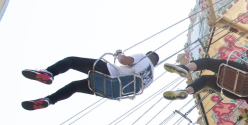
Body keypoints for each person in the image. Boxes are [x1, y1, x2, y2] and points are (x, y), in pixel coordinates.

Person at [21, 50, 159, 110]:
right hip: (112, 90)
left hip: (109, 73)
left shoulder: (143, 57)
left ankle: (49, 73)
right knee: (75, 87)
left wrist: (119, 53)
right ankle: (49, 100)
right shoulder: (151, 79)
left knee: (71, 61)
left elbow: (123, 60)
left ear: (149, 55)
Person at [161, 49, 248, 104]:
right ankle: (186, 91)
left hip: (237, 73)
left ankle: (185, 68)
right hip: (234, 92)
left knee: (207, 63)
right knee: (206, 80)